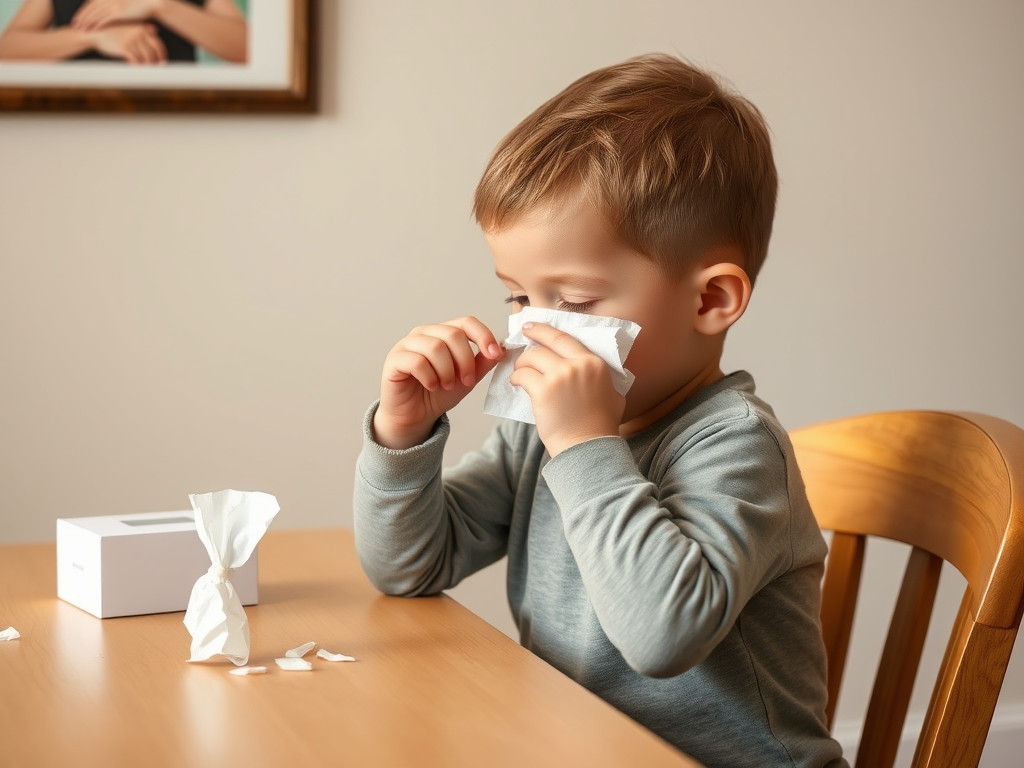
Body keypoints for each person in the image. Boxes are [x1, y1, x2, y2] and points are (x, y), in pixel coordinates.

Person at [353, 53, 848, 768]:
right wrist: (404, 433)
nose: (534, 330)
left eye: (576, 303)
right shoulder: (540, 437)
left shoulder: (736, 446)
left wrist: (584, 445)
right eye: (519, 298)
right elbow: (409, 567)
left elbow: (661, 639)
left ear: (710, 300)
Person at [0, 0, 246, 64]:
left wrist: (160, 6)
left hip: (171, 127)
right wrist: (94, 38)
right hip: (74, 129)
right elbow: (7, 50)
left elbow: (250, 49)